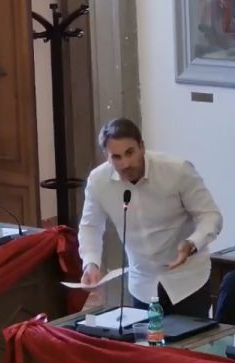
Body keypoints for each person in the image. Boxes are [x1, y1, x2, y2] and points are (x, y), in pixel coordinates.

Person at [78, 118, 223, 316]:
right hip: (142, 285)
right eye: (116, 157)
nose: (126, 163)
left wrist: (192, 243)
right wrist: (91, 262)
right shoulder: (98, 181)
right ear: (106, 156)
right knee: (145, 336)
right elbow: (90, 226)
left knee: (189, 336)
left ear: (142, 147)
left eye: (130, 152)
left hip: (188, 282)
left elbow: (210, 216)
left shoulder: (177, 170)